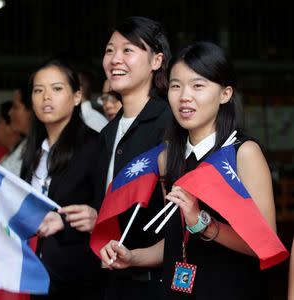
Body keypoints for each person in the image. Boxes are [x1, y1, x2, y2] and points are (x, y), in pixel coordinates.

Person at [100, 42, 278, 299]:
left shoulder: (243, 154)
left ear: (225, 94)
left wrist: (203, 223)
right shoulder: (167, 157)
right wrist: (132, 256)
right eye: (176, 86)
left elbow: (266, 242)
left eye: (198, 85)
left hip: (232, 289)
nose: (184, 96)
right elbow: (175, 241)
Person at [94, 16, 172, 299]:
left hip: (157, 284)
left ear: (156, 61)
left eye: (128, 50)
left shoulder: (170, 124)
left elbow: (178, 220)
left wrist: (138, 256)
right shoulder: (107, 133)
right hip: (114, 282)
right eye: (109, 50)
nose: (115, 59)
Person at [20, 59, 102, 299]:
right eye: (38, 90)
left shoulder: (94, 146)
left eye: (56, 89)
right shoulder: (34, 152)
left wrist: (66, 223)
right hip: (35, 276)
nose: (46, 97)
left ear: (77, 97)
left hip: (77, 279)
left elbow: (104, 212)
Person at [0, 86, 32, 176]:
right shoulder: (22, 145)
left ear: (31, 110)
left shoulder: (45, 149)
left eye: (15, 107)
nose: (10, 113)